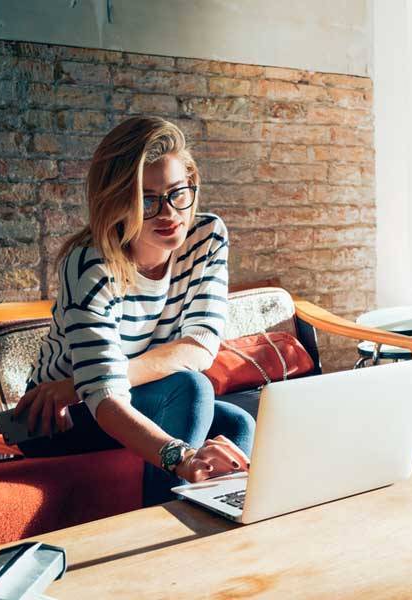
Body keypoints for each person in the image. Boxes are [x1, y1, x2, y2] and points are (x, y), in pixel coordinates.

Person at [14, 116, 253, 506]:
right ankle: (161, 540)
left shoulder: (206, 238)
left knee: (237, 423)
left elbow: (200, 347)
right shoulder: (90, 264)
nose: (168, 213)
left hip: (104, 391)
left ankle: (222, 534)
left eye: (178, 193)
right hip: (55, 417)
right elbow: (106, 398)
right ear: (119, 201)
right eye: (147, 199)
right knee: (191, 388)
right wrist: (184, 458)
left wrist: (82, 381)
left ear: (191, 184)